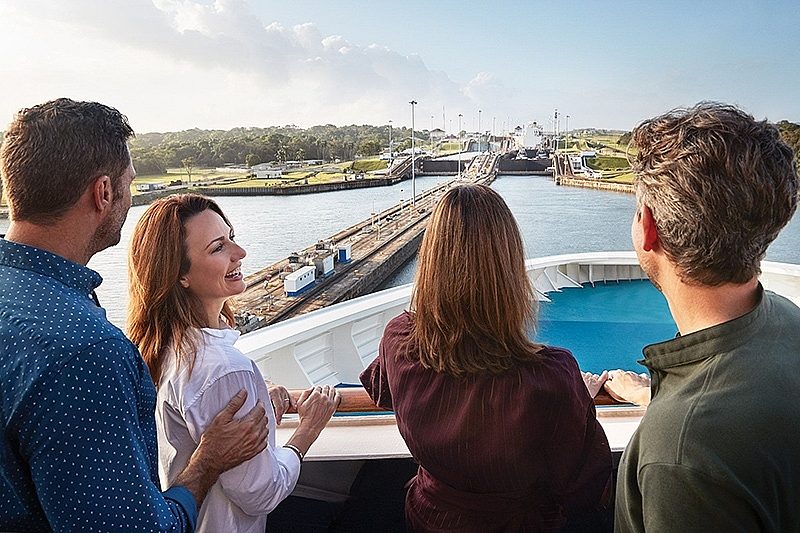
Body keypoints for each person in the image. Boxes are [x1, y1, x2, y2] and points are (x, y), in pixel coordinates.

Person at [0, 98, 268, 531]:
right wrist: (206, 465)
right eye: (129, 183)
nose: (130, 197)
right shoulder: (85, 352)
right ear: (103, 192)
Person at [360, 184, 613, 532]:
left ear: (432, 261)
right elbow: (584, 489)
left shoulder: (399, 341)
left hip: (428, 517)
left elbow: (382, 389)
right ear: (509, 270)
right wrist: (577, 400)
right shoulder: (550, 379)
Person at [616, 102, 800, 532]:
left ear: (648, 228)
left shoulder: (681, 452)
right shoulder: (786, 321)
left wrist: (676, 413)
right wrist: (656, 398)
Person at [127, 193, 341, 533]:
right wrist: (308, 428)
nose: (240, 254)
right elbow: (262, 494)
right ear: (179, 275)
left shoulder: (157, 345)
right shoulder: (224, 368)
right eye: (218, 248)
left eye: (232, 238)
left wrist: (265, 408)